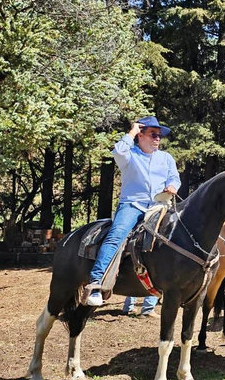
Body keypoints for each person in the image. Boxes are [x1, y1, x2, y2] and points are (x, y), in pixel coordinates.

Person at [86, 116, 180, 307]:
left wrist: (172, 186)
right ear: (140, 135)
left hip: (159, 206)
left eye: (159, 135)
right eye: (153, 134)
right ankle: (96, 285)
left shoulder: (166, 158)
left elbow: (174, 178)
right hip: (132, 205)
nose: (157, 138)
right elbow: (117, 152)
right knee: (116, 236)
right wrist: (131, 131)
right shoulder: (129, 155)